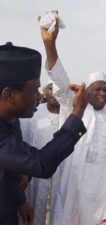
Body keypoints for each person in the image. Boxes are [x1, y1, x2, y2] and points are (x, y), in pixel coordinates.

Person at [41, 19, 106, 225]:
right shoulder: (76, 105)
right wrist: (50, 45)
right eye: (97, 89)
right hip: (79, 186)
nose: (102, 93)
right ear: (86, 90)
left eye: (105, 89)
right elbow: (59, 78)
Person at [0, 42, 87, 225]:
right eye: (34, 90)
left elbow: (8, 172)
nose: (40, 97)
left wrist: (20, 200)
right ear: (10, 95)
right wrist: (77, 113)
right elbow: (41, 163)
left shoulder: (11, 120)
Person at [20, 82, 60, 225]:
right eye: (50, 88)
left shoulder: (70, 113)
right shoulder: (34, 111)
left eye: (57, 89)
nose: (54, 92)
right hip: (35, 174)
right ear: (44, 91)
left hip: (62, 176)